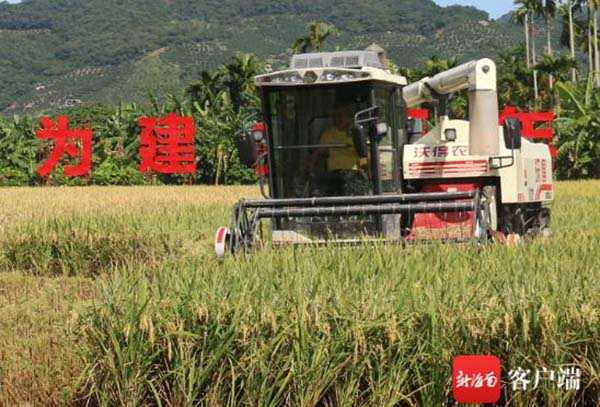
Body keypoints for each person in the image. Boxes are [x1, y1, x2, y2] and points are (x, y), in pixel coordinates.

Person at [305, 105, 371, 196]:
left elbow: (367, 154)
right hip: (333, 174)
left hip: (353, 173)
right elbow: (318, 152)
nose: (336, 119)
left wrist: (363, 161)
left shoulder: (357, 133)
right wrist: (310, 165)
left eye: (340, 116)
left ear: (348, 117)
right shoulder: (328, 134)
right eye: (334, 116)